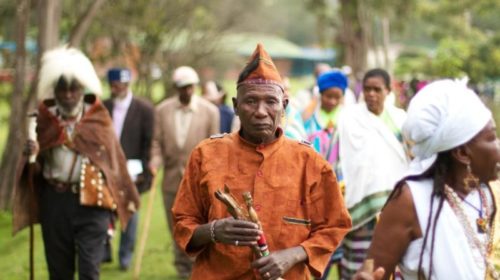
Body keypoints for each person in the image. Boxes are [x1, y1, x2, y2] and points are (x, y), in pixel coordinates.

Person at [171, 43, 352, 280]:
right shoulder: (206, 155)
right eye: (251, 101)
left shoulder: (310, 162)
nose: (260, 111)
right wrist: (213, 230)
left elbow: (334, 225)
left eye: (271, 102)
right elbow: (183, 221)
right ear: (235, 106)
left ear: (284, 106)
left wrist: (294, 254)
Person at [12, 47, 140, 279]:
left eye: (74, 89)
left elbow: (113, 162)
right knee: (59, 272)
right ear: (55, 91)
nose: (69, 94)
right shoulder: (42, 120)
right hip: (55, 203)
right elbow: (36, 170)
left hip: (93, 204)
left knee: (90, 271)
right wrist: (33, 154)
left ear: (82, 89)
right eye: (63, 89)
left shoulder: (98, 118)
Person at [354, 79, 500, 280]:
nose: (498, 147)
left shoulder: (487, 194)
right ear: (462, 153)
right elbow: (373, 271)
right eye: (493, 138)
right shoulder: (410, 200)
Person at [338, 68, 410, 279]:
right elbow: (338, 157)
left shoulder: (400, 119)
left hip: (395, 205)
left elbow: (408, 157)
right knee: (359, 262)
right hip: (360, 204)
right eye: (367, 89)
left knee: (394, 261)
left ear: (388, 91)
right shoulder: (349, 118)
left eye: (377, 89)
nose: (371, 94)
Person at [149, 65, 219, 278]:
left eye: (190, 87)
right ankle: (182, 269)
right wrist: (154, 161)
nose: (187, 91)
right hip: (171, 179)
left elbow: (214, 147)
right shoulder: (162, 110)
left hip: (200, 181)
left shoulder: (210, 111)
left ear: (195, 86)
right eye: (182, 87)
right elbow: (156, 143)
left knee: (200, 225)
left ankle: (201, 265)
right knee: (177, 227)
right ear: (175, 88)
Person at [103, 67, 154, 270]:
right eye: (115, 85)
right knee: (103, 212)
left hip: (133, 171)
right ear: (110, 86)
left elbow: (149, 142)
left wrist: (145, 171)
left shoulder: (144, 108)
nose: (119, 88)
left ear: (128, 84)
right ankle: (103, 251)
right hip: (106, 169)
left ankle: (125, 256)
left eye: (122, 84)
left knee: (130, 214)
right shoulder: (103, 107)